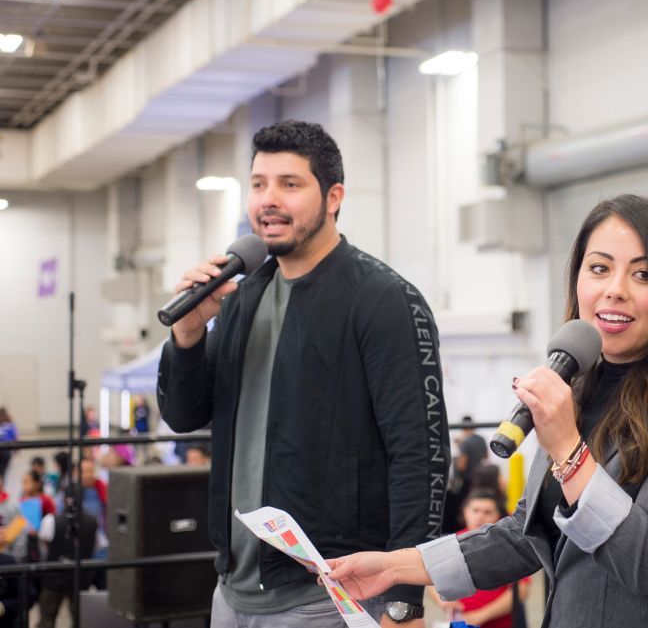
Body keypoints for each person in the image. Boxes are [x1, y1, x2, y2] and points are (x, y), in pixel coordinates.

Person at [326, 194, 648, 627]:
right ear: (578, 280)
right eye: (599, 268)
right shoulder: (576, 387)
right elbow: (526, 536)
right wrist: (398, 567)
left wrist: (568, 448)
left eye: (643, 274)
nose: (615, 289)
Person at [157, 119, 450, 628]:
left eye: (290, 184)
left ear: (333, 196)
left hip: (332, 594)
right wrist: (186, 338)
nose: (269, 199)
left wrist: (404, 599)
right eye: (258, 184)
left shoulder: (382, 299)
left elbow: (419, 456)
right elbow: (183, 416)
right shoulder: (242, 296)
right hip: (232, 592)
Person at [429, 490, 530, 628]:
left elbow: (521, 592)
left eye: (487, 512)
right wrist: (442, 601)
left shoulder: (507, 544)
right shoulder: (450, 543)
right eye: (475, 510)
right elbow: (431, 580)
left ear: (498, 515)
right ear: (465, 511)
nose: (480, 516)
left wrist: (480, 616)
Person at [36, 492, 99, 628]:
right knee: (78, 620)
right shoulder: (93, 521)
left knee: (48, 618)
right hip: (78, 576)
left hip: (56, 576)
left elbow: (44, 543)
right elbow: (96, 545)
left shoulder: (51, 520)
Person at [0, 409, 16, 483]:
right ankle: (2, 487)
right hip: (7, 451)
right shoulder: (11, 425)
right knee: (3, 471)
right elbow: (15, 437)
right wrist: (16, 449)